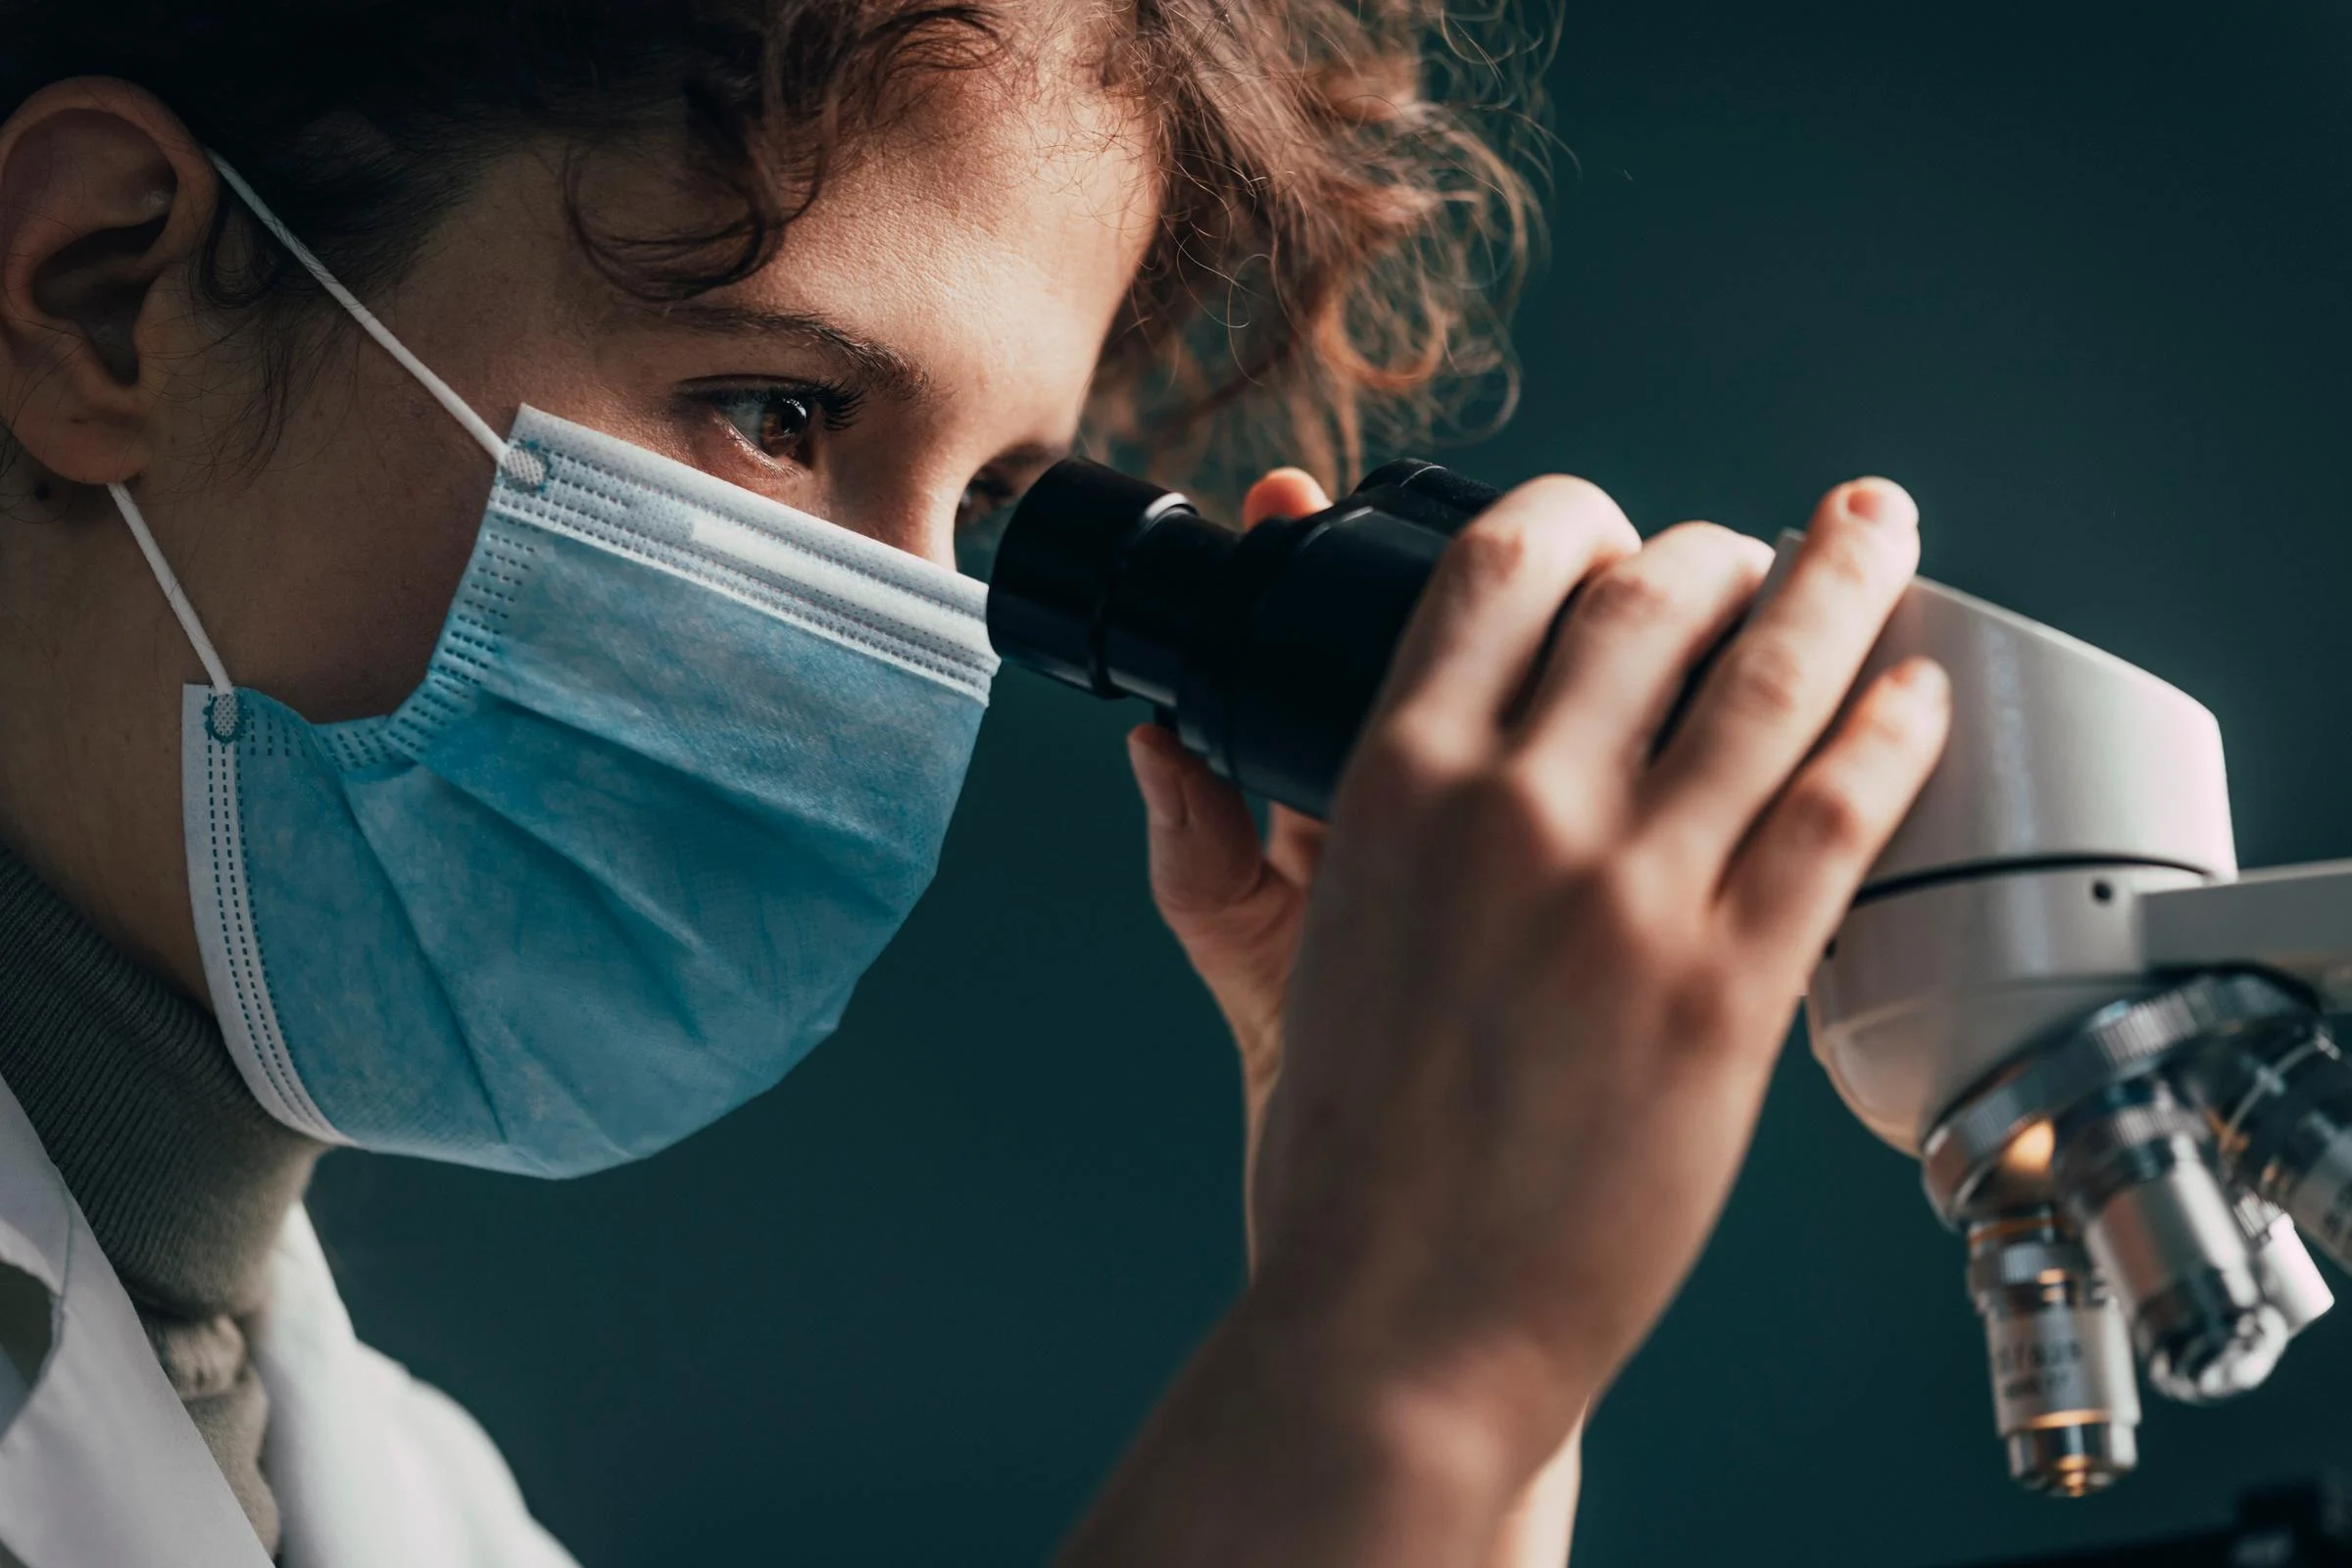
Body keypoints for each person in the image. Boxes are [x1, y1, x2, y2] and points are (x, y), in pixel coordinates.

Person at [0, 2, 1950, 1563]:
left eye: (992, 513)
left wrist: (1469, 1410)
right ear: (105, 296)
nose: (877, 631)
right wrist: (1401, 1356)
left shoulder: (401, 1501)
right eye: (783, 412)